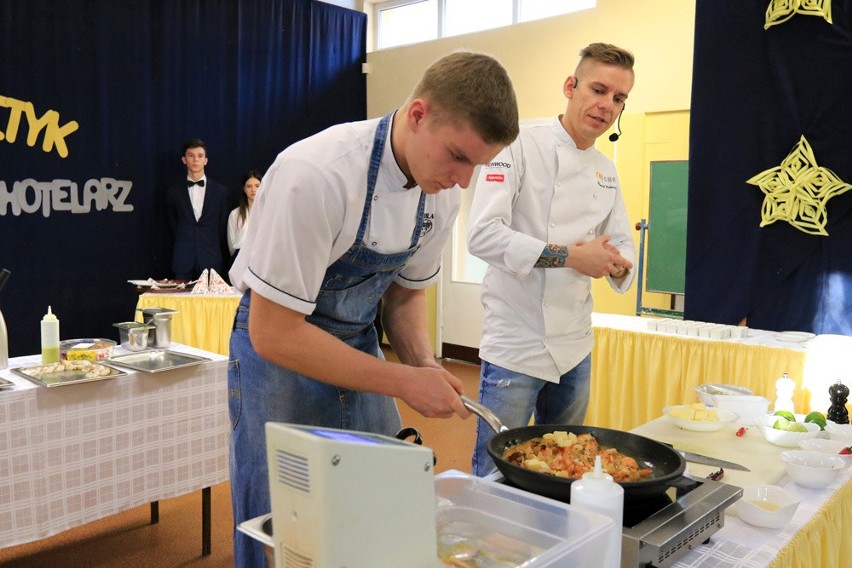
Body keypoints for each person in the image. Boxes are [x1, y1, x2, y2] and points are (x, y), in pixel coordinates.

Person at [227, 50, 519, 567]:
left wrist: (425, 366)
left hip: (358, 337)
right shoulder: (315, 173)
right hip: (277, 351)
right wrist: (404, 382)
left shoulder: (443, 193)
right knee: (280, 516)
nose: (463, 180)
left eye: (477, 164)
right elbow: (273, 333)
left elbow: (404, 296)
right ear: (417, 114)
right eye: (457, 156)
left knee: (377, 498)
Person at [467, 43, 637, 477]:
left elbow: (622, 243)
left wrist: (616, 263)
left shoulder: (606, 170)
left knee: (568, 464)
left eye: (619, 98)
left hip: (575, 345)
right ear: (570, 86)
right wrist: (572, 257)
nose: (607, 105)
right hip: (517, 342)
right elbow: (484, 235)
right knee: (496, 468)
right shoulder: (518, 143)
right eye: (598, 89)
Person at [166, 138, 230, 280]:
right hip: (183, 260)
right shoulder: (173, 192)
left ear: (206, 160)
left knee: (210, 302)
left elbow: (222, 226)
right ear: (184, 159)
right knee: (181, 302)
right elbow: (173, 225)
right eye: (191, 155)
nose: (195, 160)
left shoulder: (220, 192)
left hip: (211, 260)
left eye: (200, 156)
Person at [227, 170, 261, 263]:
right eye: (249, 186)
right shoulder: (235, 213)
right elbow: (231, 243)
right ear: (244, 189)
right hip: (239, 259)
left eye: (257, 186)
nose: (253, 190)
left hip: (262, 260)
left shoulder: (269, 213)